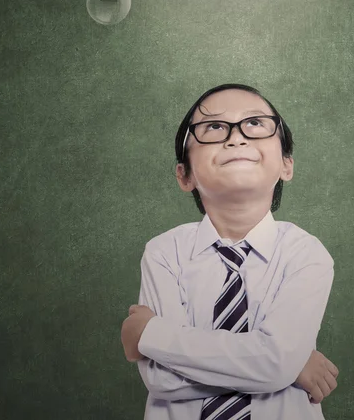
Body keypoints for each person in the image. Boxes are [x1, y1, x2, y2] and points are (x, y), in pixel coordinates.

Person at [121, 83, 339, 419]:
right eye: (213, 127)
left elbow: (275, 363)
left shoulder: (305, 253)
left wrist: (152, 335)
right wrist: (287, 369)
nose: (236, 138)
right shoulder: (165, 252)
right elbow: (162, 378)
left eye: (255, 124)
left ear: (286, 165)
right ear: (184, 175)